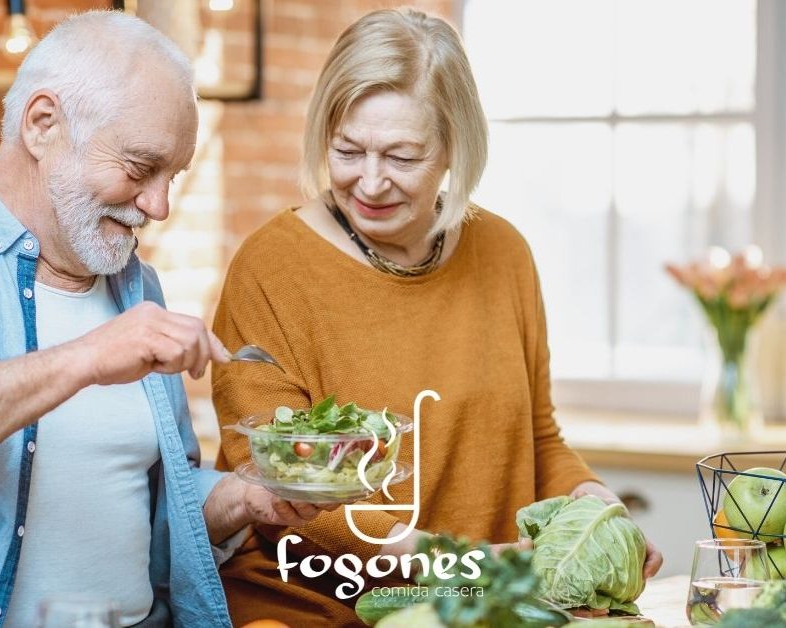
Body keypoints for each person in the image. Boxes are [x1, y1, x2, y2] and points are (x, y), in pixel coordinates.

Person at [0, 11, 328, 628]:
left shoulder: (136, 288)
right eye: (139, 167)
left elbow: (142, 515)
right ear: (43, 124)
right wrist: (85, 358)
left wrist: (242, 499)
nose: (159, 205)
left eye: (172, 176)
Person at [210, 8, 664, 626]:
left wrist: (598, 512)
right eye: (347, 150)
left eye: (402, 156)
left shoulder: (503, 253)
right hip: (310, 606)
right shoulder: (271, 267)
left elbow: (538, 438)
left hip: (477, 604)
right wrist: (461, 562)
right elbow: (276, 488)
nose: (370, 182)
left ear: (455, 147)